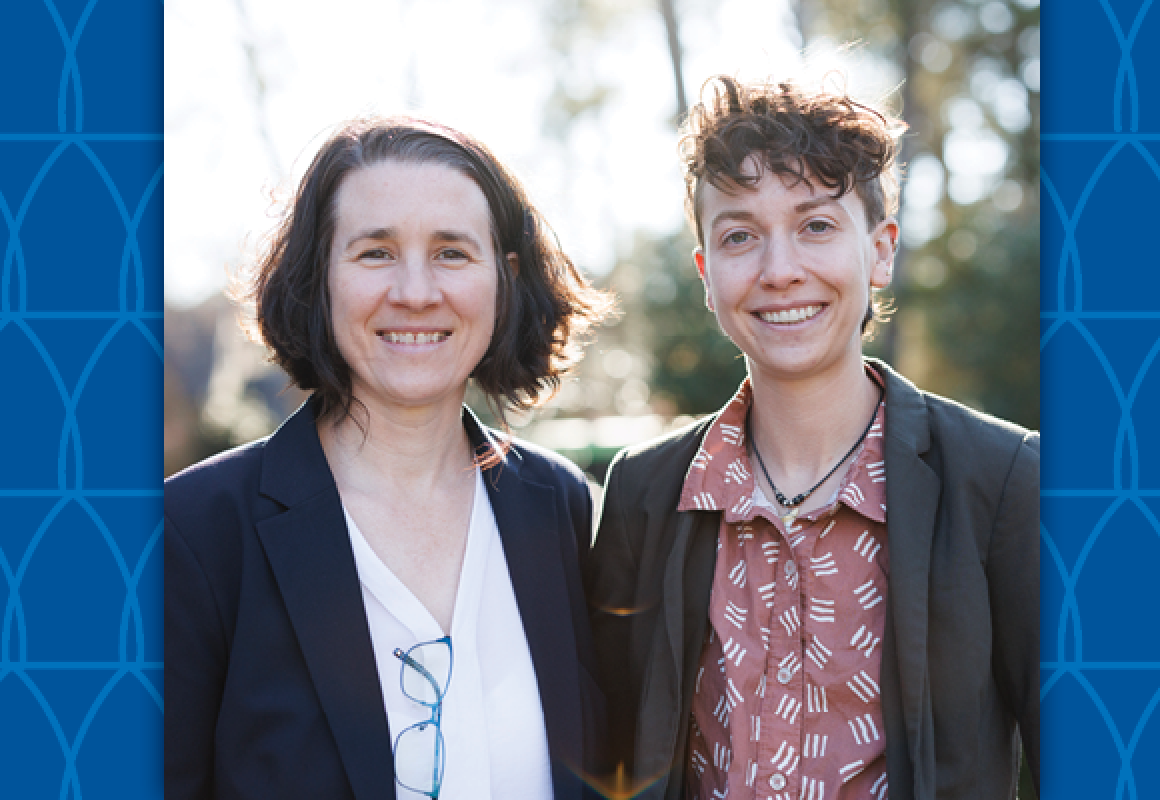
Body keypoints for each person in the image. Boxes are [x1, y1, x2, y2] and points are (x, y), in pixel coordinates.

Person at [587, 76, 1038, 800]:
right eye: (739, 235)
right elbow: (610, 748)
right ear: (707, 274)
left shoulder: (1005, 478)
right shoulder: (645, 491)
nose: (779, 270)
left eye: (817, 226)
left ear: (881, 250)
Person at [166, 117, 611, 800]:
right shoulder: (193, 533)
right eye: (375, 252)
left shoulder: (560, 508)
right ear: (319, 278)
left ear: (504, 278)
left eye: (452, 253)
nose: (414, 291)